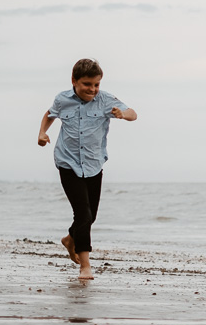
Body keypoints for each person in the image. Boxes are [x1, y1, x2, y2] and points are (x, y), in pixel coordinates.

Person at [37, 58, 137, 280]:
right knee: (82, 213)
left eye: (96, 85)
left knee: (91, 216)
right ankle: (85, 266)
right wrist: (42, 133)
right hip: (67, 163)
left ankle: (70, 238)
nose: (92, 89)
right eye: (87, 84)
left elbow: (132, 113)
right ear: (74, 81)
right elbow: (49, 114)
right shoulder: (63, 99)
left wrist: (122, 115)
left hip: (93, 164)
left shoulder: (105, 100)